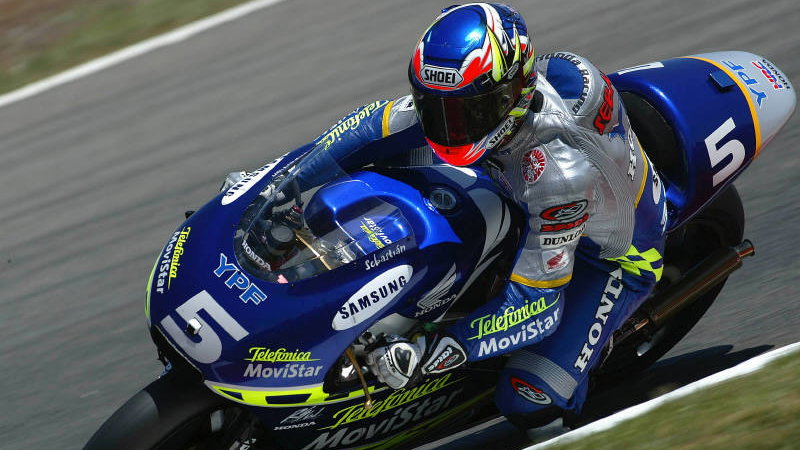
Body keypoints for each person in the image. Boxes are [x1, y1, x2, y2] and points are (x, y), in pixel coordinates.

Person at [238, 2, 668, 432]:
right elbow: (365, 130)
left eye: (466, 113)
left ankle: (587, 380)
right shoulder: (476, 104)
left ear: (512, 95)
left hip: (610, 255)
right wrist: (278, 186)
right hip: (514, 184)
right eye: (434, 106)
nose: (447, 126)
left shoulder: (558, 176)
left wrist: (431, 350)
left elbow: (537, 307)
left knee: (529, 402)